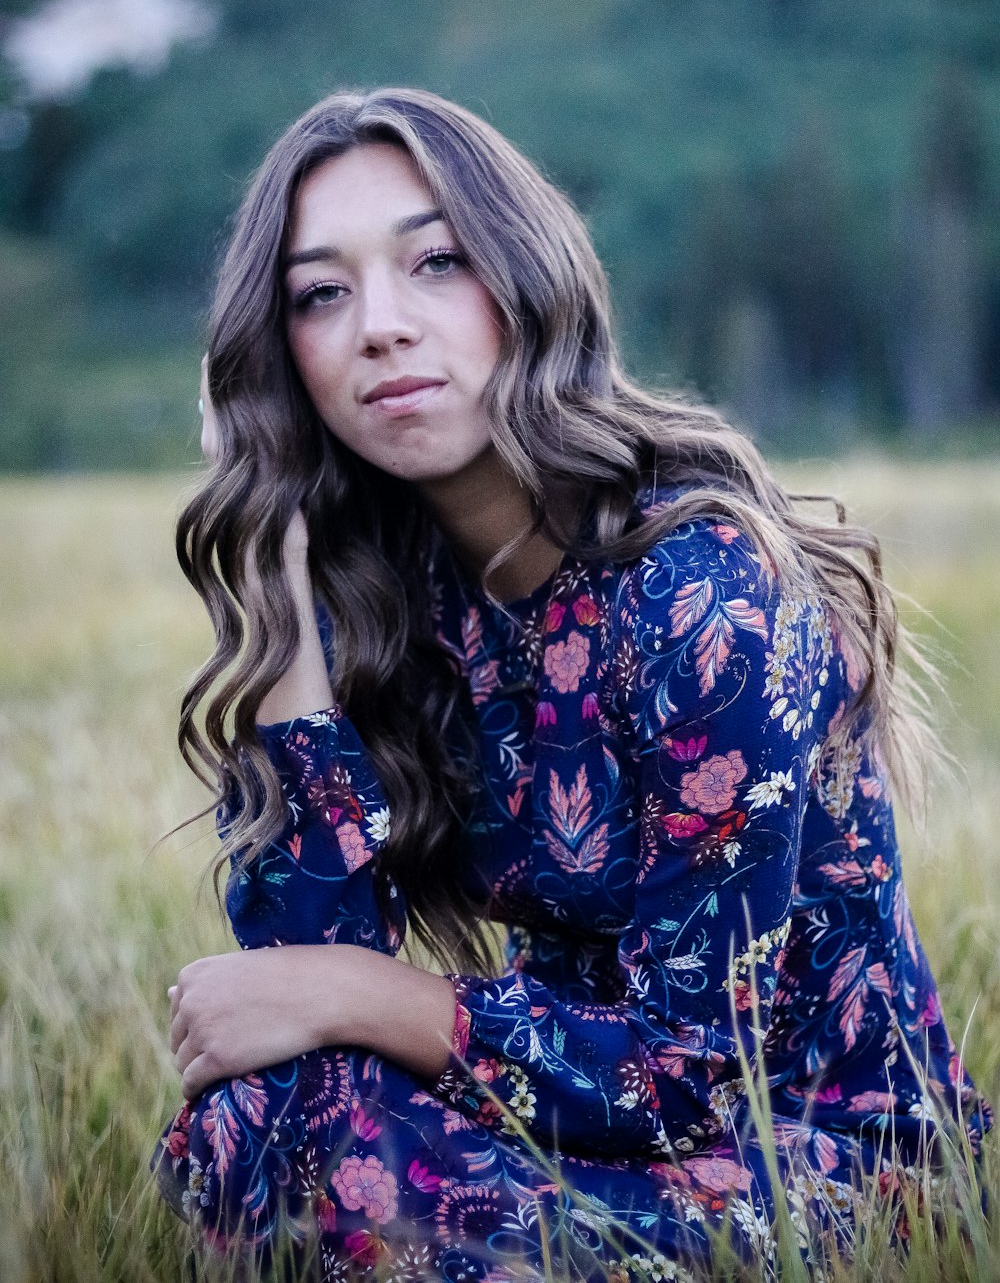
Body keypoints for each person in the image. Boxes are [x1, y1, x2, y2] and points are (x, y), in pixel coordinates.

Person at [152, 87, 991, 1281]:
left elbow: (693, 1078)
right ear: (275, 355)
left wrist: (358, 991)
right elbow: (293, 990)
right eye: (320, 293)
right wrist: (278, 594)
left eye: (435, 262)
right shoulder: (392, 602)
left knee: (339, 1167)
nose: (379, 326)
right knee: (256, 1123)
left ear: (526, 279)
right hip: (568, 1125)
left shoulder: (701, 596)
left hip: (815, 1159)